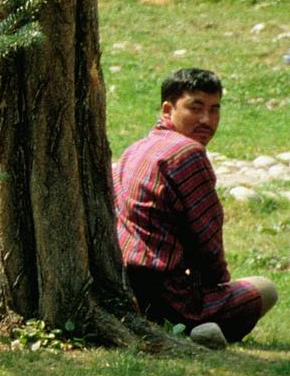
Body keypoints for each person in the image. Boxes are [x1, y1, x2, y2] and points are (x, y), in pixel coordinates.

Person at [113, 68, 278, 347]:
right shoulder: (187, 153)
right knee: (265, 288)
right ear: (167, 109)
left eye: (215, 110)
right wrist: (217, 289)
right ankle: (194, 330)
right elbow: (207, 240)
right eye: (195, 108)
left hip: (123, 286)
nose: (207, 120)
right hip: (165, 296)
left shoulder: (135, 149)